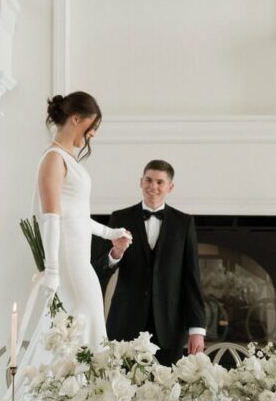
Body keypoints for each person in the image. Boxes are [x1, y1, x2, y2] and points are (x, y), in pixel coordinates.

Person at [13, 92, 131, 372]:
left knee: (84, 328)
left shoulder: (67, 158)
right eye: (92, 126)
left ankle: (76, 391)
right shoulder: (53, 159)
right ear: (76, 119)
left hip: (79, 261)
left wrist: (110, 233)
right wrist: (53, 271)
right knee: (85, 326)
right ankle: (78, 390)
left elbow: (77, 217)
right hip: (68, 263)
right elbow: (51, 218)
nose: (93, 134)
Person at [92, 160, 206, 365]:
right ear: (141, 182)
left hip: (170, 326)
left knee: (168, 385)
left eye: (160, 182)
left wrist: (197, 329)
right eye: (149, 180)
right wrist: (116, 252)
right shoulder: (120, 217)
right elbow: (99, 270)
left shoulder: (184, 223)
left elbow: (192, 279)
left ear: (170, 187)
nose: (153, 186)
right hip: (125, 322)